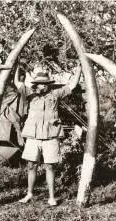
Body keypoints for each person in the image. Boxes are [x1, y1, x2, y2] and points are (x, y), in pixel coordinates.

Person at [14, 63, 82, 206]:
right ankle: (30, 194)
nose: (42, 86)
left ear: (49, 84)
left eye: (45, 84)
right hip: (33, 136)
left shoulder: (56, 94)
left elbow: (73, 85)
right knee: (31, 165)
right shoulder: (30, 94)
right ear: (36, 84)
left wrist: (79, 68)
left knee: (50, 166)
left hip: (51, 136)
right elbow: (16, 82)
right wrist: (16, 66)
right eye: (39, 84)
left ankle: (51, 197)